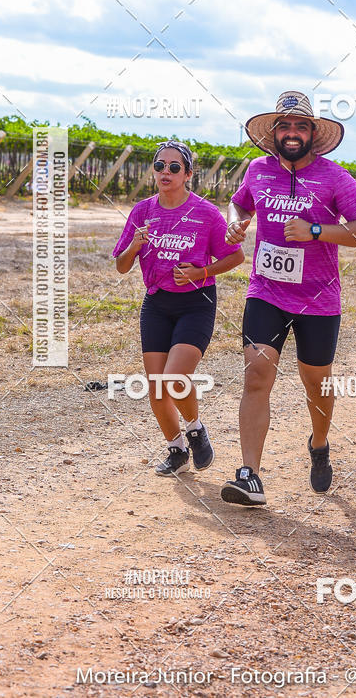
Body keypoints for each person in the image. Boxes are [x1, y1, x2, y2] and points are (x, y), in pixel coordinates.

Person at [220, 91, 356, 506]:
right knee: (256, 376)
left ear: (312, 133)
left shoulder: (335, 178)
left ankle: (320, 443)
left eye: (300, 126)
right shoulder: (258, 170)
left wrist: (315, 231)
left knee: (316, 382)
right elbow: (238, 206)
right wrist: (236, 225)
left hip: (318, 301)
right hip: (265, 292)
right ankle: (249, 475)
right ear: (274, 133)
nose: (292, 133)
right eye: (285, 126)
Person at [113, 140, 244, 474]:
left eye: (174, 167)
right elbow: (122, 266)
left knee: (174, 378)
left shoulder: (204, 213)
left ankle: (196, 428)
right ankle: (177, 451)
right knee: (157, 386)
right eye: (160, 166)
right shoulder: (142, 211)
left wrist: (202, 272)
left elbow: (236, 256)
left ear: (188, 174)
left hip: (195, 303)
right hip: (157, 304)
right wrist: (134, 245)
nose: (165, 172)